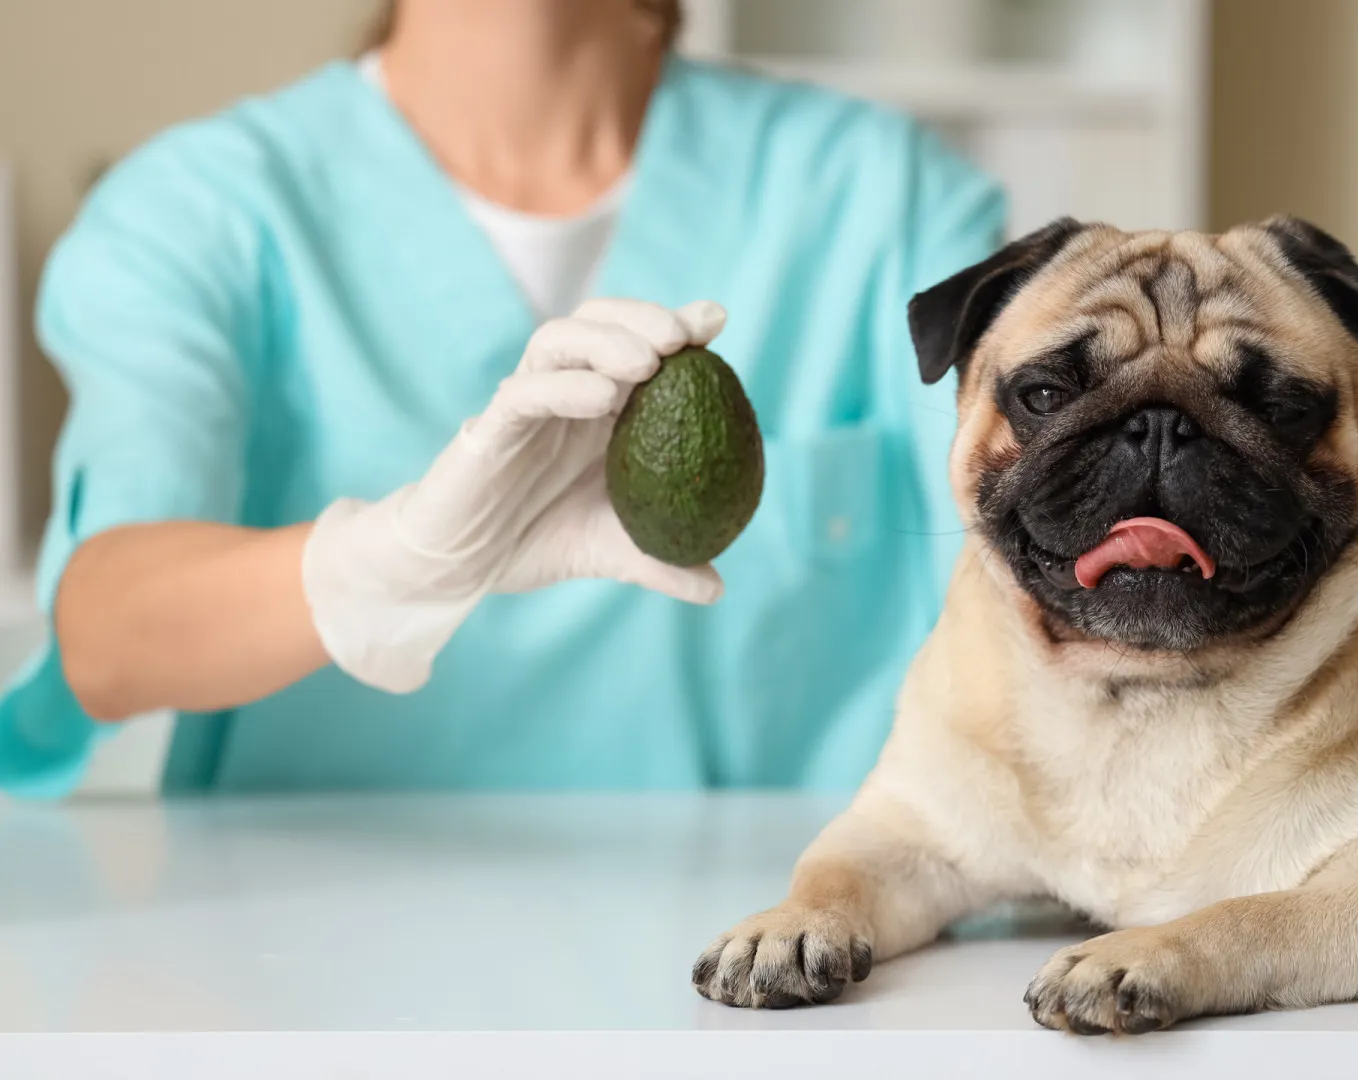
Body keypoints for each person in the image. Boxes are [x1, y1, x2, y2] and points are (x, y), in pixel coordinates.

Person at [0, 0, 1005, 795]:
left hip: (786, 990)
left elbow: (1021, 607)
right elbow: (107, 634)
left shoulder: (889, 198)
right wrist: (382, 568)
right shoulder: (193, 214)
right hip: (312, 968)